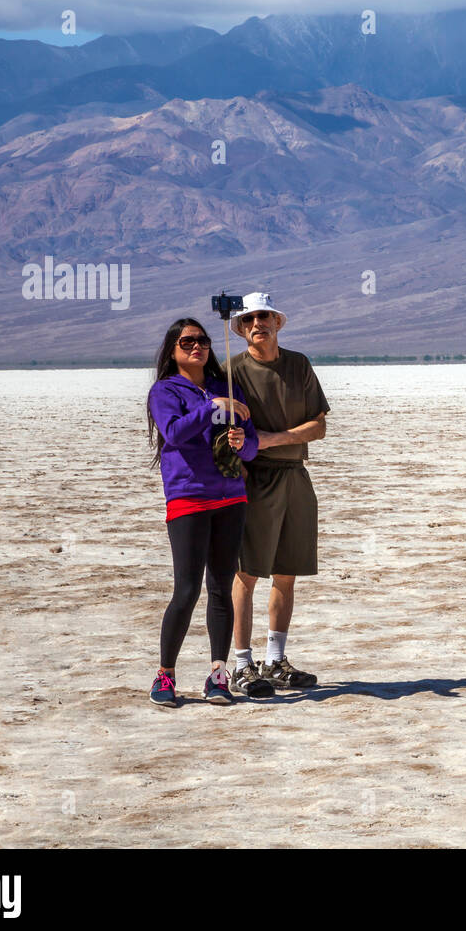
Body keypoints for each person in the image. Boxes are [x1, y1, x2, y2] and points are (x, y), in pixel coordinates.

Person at [145, 318, 259, 706]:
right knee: (187, 588)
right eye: (187, 341)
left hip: (231, 497)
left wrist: (242, 441)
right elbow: (174, 432)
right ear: (173, 350)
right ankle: (165, 675)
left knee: (221, 588)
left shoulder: (225, 387)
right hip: (189, 497)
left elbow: (252, 446)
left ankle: (217, 676)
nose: (197, 346)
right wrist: (212, 409)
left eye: (203, 340)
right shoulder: (165, 391)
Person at [226, 293, 330, 697]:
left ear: (278, 322)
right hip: (253, 481)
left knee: (287, 571)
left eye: (264, 316)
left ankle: (275, 660)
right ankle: (241, 664)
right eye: (249, 318)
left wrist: (271, 439)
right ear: (239, 327)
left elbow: (318, 426)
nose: (258, 323)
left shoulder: (298, 365)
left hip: (295, 476)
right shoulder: (232, 371)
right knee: (247, 571)